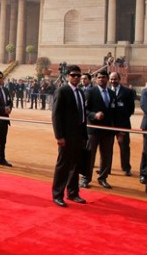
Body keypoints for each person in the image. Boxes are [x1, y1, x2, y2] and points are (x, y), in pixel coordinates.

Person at [51, 65, 88, 207]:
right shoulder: (62, 91)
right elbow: (56, 115)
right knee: (63, 165)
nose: (77, 78)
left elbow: (83, 115)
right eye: (73, 75)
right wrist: (59, 136)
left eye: (79, 75)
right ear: (67, 76)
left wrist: (84, 135)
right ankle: (57, 194)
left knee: (75, 165)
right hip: (66, 136)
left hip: (79, 135)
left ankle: (73, 193)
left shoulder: (80, 92)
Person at [80, 70, 116, 189]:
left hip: (108, 130)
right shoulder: (90, 92)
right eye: (99, 77)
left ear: (107, 79)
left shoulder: (112, 93)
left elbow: (114, 111)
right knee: (90, 154)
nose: (101, 79)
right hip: (93, 129)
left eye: (104, 77)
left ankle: (103, 178)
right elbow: (84, 110)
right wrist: (94, 115)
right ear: (96, 79)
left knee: (106, 155)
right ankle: (86, 178)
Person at [109, 72, 135, 176]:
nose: (113, 81)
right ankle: (106, 168)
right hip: (109, 125)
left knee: (124, 148)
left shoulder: (127, 92)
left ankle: (126, 168)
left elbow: (130, 109)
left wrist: (122, 127)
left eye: (115, 79)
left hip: (123, 125)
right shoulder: (106, 91)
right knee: (107, 148)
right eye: (111, 79)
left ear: (119, 79)